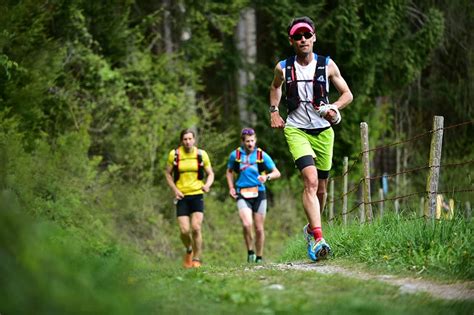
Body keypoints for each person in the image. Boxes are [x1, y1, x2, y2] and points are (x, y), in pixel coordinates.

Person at [269, 16, 353, 261]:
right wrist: (274, 111)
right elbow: (275, 87)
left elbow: (347, 94)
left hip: (323, 131)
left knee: (321, 190)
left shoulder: (327, 65)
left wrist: (334, 108)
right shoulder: (283, 67)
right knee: (311, 180)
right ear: (291, 40)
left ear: (314, 37)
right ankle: (318, 239)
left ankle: (310, 228)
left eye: (307, 35)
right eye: (298, 36)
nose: (303, 39)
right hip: (296, 129)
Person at [226, 128, 281, 263]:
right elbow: (229, 171)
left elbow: (277, 172)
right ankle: (250, 251)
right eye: (247, 141)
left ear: (255, 140)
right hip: (242, 193)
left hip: (259, 193)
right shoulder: (236, 155)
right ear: (243, 142)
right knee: (246, 224)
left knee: (259, 228)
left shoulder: (261, 155)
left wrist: (266, 177)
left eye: (252, 141)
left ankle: (259, 257)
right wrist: (231, 187)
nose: (250, 144)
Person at [165, 129, 214, 268]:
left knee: (196, 228)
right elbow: (168, 174)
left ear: (194, 140)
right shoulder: (174, 154)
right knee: (184, 230)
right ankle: (189, 249)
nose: (187, 142)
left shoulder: (201, 154)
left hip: (197, 194)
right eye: (185, 139)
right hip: (182, 196)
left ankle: (197, 259)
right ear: (182, 141)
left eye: (190, 139)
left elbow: (210, 173)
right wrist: (175, 190)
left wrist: (207, 185)